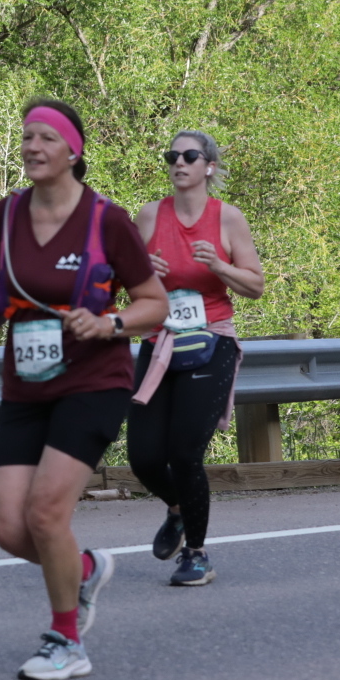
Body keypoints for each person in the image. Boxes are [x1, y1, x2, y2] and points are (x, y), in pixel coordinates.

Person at [0, 99, 168, 680]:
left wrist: (111, 323)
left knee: (46, 513)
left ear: (73, 151)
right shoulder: (7, 213)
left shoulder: (107, 220)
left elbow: (154, 304)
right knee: (10, 529)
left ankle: (66, 641)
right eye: (27, 136)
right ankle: (82, 569)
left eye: (46, 138)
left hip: (93, 381)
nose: (32, 147)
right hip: (26, 383)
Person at [128, 130, 265, 586]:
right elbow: (121, 282)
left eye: (190, 156)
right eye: (173, 156)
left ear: (209, 166)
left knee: (185, 452)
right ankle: (178, 509)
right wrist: (143, 273)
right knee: (144, 457)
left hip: (211, 341)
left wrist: (220, 266)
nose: (179, 163)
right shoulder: (150, 215)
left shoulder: (228, 218)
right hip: (159, 342)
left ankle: (197, 554)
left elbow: (255, 286)